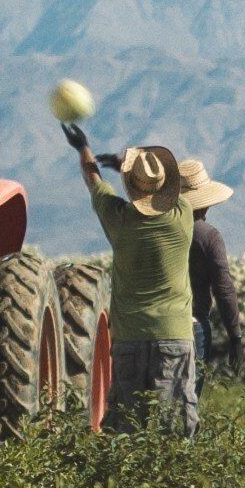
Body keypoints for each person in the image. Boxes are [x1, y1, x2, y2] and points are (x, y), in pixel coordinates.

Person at [63, 123, 197, 436]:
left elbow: (93, 181)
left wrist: (84, 147)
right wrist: (126, 161)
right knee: (174, 427)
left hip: (129, 338)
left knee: (125, 427)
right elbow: (182, 189)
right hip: (174, 334)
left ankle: (122, 484)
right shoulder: (183, 216)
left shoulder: (119, 219)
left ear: (130, 188)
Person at [180, 157, 243, 388]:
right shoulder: (207, 236)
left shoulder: (156, 231)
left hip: (150, 325)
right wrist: (235, 335)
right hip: (191, 325)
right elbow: (223, 288)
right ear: (205, 204)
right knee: (188, 401)